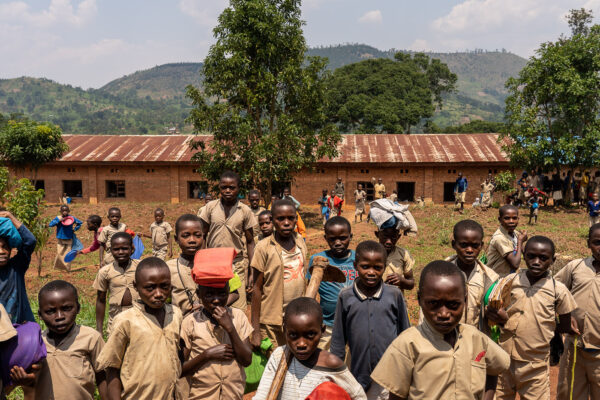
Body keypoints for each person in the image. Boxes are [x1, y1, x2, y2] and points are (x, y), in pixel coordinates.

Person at [371, 261, 510, 400]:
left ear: (465, 300)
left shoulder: (475, 337)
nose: (443, 313)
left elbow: (496, 367)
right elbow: (396, 395)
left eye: (453, 305)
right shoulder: (407, 344)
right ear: (420, 299)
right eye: (433, 304)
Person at [486, 236, 578, 400]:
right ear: (524, 254)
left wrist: (544, 327)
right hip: (504, 359)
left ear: (553, 260)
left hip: (535, 364)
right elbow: (493, 310)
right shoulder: (510, 281)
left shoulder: (558, 290)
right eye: (531, 256)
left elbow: (564, 325)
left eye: (543, 258)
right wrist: (501, 318)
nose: (536, 261)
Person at [331, 241, 411, 397]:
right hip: (358, 373)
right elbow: (338, 339)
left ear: (385, 266)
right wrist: (336, 372)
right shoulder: (346, 296)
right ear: (355, 266)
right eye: (365, 266)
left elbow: (405, 334)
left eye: (377, 267)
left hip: (390, 376)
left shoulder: (394, 294)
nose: (371, 272)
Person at [97, 257, 183, 400]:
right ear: (136, 286)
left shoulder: (175, 314)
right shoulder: (126, 320)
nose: (158, 294)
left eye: (164, 286)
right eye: (150, 288)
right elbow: (112, 369)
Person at [253, 297, 367, 400]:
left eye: (310, 335)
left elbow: (359, 396)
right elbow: (262, 395)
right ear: (284, 331)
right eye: (293, 335)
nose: (301, 344)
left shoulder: (331, 364)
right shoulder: (279, 355)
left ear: (322, 331)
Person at [180, 251, 253, 400]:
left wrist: (230, 328)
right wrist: (206, 355)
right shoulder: (190, 322)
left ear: (228, 292)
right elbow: (180, 369)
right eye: (209, 295)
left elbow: (246, 360)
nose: (216, 300)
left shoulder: (238, 317)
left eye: (222, 294)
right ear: (198, 294)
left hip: (232, 395)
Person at [19, 280, 107, 400]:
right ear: (40, 314)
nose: (59, 316)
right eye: (50, 311)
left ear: (78, 308)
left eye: (66, 308)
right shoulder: (35, 344)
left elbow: (103, 377)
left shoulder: (91, 338)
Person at [250, 199, 308, 350]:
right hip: (272, 322)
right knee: (276, 364)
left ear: (296, 219)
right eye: (280, 219)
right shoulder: (263, 248)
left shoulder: (300, 242)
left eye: (291, 218)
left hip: (297, 319)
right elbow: (257, 288)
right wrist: (255, 330)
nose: (286, 222)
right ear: (273, 220)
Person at [554, 223, 600, 400]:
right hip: (575, 349)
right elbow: (552, 291)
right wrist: (565, 316)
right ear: (588, 243)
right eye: (597, 242)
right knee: (569, 394)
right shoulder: (575, 267)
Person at [200, 171, 257, 309]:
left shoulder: (245, 211)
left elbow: (250, 242)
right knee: (214, 305)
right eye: (224, 187)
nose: (227, 190)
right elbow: (202, 235)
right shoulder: (210, 207)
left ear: (238, 189)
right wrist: (201, 263)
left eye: (232, 187)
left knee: (237, 306)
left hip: (235, 266)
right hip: (213, 265)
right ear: (219, 187)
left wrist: (252, 271)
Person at [307, 217, 355, 350]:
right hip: (327, 325)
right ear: (325, 238)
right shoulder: (318, 260)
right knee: (324, 361)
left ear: (351, 236)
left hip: (354, 323)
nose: (338, 242)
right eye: (332, 239)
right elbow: (310, 292)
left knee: (349, 363)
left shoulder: (358, 259)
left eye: (343, 238)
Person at [447, 220, 498, 329]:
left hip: (475, 339)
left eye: (475, 246)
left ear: (481, 246)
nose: (469, 250)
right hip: (446, 338)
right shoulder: (441, 273)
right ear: (454, 245)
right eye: (464, 245)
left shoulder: (489, 278)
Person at [93, 232, 140, 334]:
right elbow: (101, 300)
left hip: (140, 316)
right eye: (116, 249)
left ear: (132, 249)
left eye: (125, 248)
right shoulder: (105, 272)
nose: (120, 252)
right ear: (110, 250)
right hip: (116, 317)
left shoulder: (141, 267)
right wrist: (99, 329)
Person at [0, 211, 36, 323]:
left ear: (11, 249)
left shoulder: (16, 267)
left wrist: (10, 217)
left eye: (5, 247)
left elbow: (30, 241)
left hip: (20, 326)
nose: (1, 251)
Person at [166, 214, 203, 317]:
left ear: (203, 236)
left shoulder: (215, 263)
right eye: (186, 235)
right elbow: (164, 300)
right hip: (180, 326)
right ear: (176, 239)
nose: (192, 240)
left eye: (197, 235)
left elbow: (234, 293)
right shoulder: (167, 268)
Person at [486, 205, 526, 277]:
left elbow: (526, 255)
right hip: (496, 279)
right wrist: (520, 241)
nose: (511, 221)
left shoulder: (515, 234)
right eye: (507, 218)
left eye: (514, 218)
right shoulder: (499, 238)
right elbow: (515, 264)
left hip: (508, 276)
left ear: (518, 219)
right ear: (500, 219)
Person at [376, 226, 415, 293]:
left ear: (398, 237)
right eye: (385, 237)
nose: (389, 241)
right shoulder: (370, 253)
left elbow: (411, 283)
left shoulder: (403, 254)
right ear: (377, 234)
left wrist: (402, 281)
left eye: (393, 237)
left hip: (396, 301)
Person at [48, 205, 82, 271]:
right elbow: (50, 224)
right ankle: (59, 268)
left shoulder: (71, 218)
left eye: (66, 210)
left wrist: (75, 229)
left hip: (69, 238)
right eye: (63, 211)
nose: (65, 212)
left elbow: (79, 223)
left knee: (68, 253)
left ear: (68, 211)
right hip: (60, 238)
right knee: (59, 253)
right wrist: (58, 221)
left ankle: (67, 268)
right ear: (60, 211)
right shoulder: (58, 218)